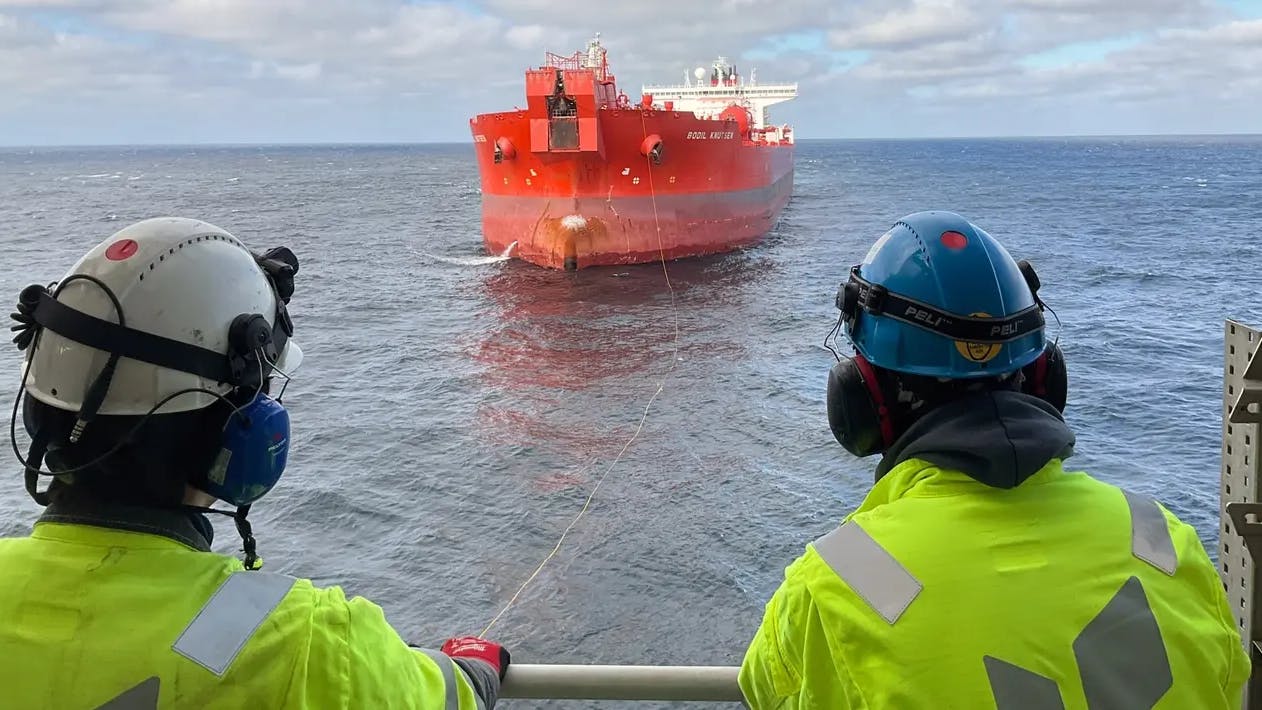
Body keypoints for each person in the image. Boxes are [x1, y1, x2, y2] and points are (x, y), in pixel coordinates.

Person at [737, 211, 1250, 708]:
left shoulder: (830, 593)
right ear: (1045, 378)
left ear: (864, 399)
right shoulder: (1166, 545)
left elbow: (765, 691)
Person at [0, 217, 510, 709]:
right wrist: (475, 667)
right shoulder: (303, 644)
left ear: (40, 409)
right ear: (237, 430)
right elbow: (448, 697)